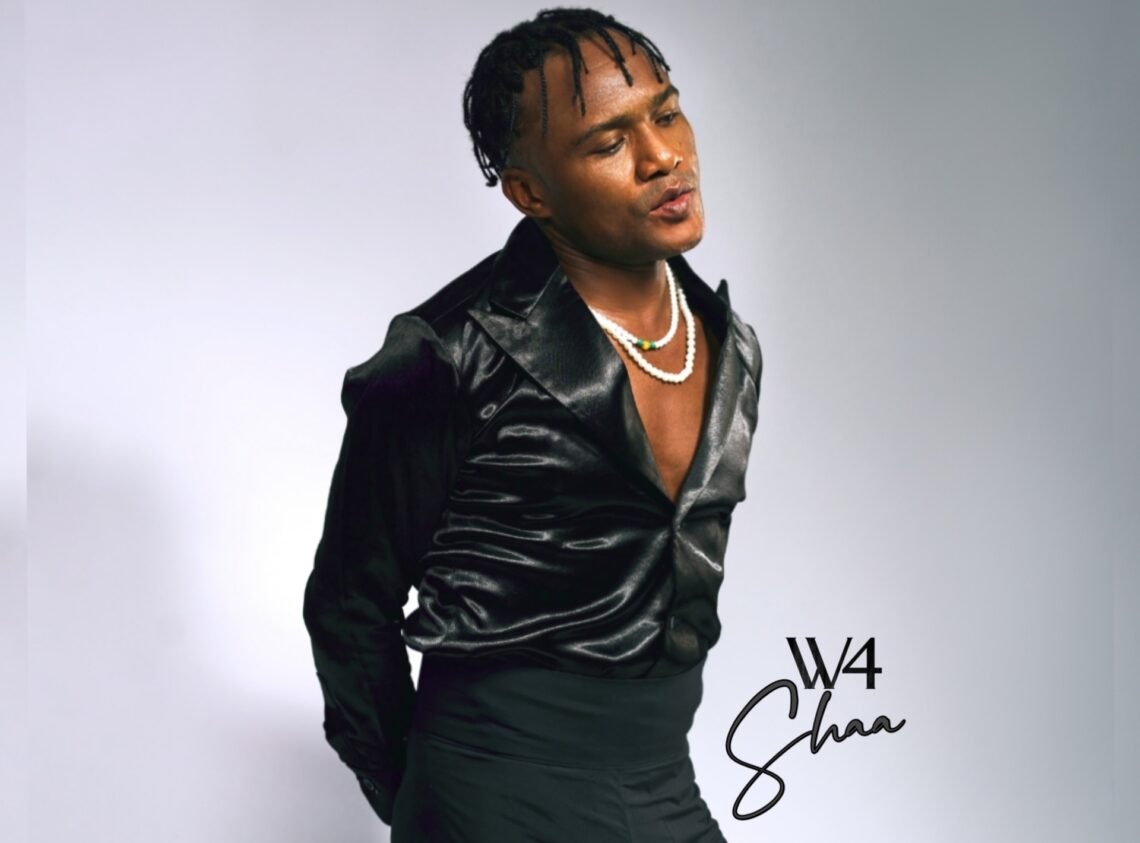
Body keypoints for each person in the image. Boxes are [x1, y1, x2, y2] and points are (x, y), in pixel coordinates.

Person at [302, 8, 762, 841]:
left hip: (662, 776)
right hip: (490, 787)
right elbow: (347, 606)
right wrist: (429, 800)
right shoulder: (445, 356)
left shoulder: (728, 345)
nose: (663, 156)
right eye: (609, 142)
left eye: (665, 112)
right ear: (529, 192)